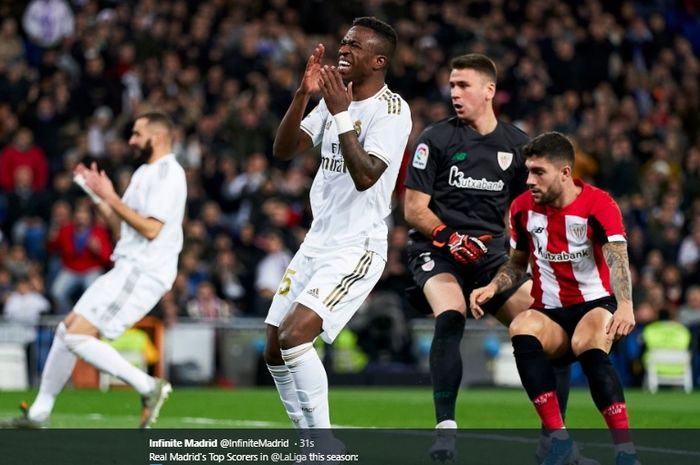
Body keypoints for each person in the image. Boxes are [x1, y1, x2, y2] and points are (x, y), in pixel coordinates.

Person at [403, 53, 583, 464]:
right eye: (451, 85)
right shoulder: (436, 138)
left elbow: (541, 205)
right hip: (436, 249)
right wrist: (449, 237)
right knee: (450, 315)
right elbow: (414, 208)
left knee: (553, 332)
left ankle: (553, 441)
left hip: (491, 258)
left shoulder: (518, 146)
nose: (454, 93)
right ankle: (445, 432)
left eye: (463, 85)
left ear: (489, 91)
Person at [263, 16, 411, 432]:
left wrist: (341, 114)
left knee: (295, 338)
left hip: (357, 246)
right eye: (343, 43)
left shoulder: (392, 110)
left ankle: (325, 449)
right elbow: (285, 149)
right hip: (317, 241)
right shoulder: (334, 98)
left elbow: (366, 177)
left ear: (378, 60)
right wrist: (301, 95)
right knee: (274, 348)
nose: (342, 50)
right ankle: (310, 446)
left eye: (354, 46)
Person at [1, 112, 186, 429]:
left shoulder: (169, 174)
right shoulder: (144, 172)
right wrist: (97, 195)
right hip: (127, 265)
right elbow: (122, 227)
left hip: (143, 271)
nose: (131, 140)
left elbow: (152, 230)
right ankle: (39, 413)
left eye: (136, 134)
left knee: (76, 336)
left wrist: (112, 196)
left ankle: (148, 386)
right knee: (66, 331)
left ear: (155, 138)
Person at [470, 132, 641, 465]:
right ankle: (558, 438)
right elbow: (518, 262)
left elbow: (617, 257)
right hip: (549, 311)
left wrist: (625, 305)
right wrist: (493, 288)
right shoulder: (521, 209)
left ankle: (625, 451)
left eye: (539, 172)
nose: (530, 180)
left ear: (565, 173)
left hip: (595, 305)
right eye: (528, 171)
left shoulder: (599, 204)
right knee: (521, 326)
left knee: (588, 346)